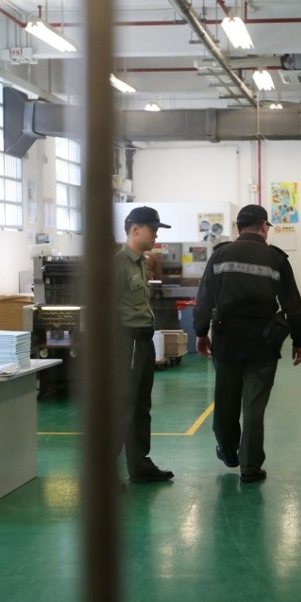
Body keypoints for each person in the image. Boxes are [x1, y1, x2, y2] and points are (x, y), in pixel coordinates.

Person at [194, 204, 301, 482]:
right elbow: (292, 304)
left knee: (225, 401)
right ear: (264, 226)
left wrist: (200, 332)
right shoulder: (276, 258)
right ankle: (251, 467)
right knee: (254, 407)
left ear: (237, 228)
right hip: (263, 343)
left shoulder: (220, 256)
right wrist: (298, 339)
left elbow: (204, 298)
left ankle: (229, 451)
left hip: (226, 340)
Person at [114, 206, 175, 483]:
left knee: (141, 406)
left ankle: (139, 465)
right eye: (153, 229)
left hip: (144, 341)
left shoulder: (141, 261)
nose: (156, 235)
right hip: (127, 342)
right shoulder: (119, 265)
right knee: (123, 406)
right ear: (135, 229)